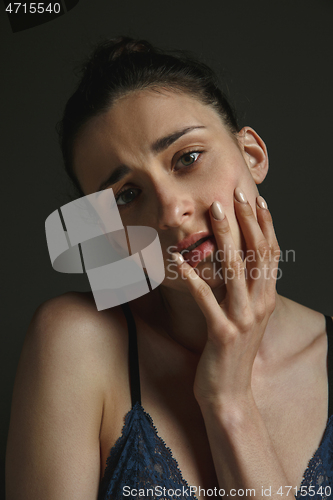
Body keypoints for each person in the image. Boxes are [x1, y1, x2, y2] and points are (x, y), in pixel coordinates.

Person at [5, 37, 333, 500]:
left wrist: (229, 401)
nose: (170, 211)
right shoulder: (76, 341)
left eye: (188, 158)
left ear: (252, 155)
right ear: (104, 234)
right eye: (126, 194)